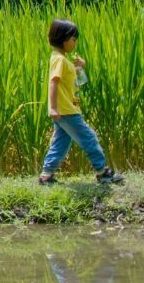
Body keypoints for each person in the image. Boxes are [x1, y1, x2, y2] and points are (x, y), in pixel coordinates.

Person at [39, 19, 124, 186]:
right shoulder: (59, 60)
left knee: (60, 143)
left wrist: (79, 67)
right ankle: (102, 171)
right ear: (63, 39)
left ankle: (46, 175)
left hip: (66, 109)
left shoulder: (62, 59)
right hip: (67, 110)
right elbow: (53, 81)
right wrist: (53, 107)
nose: (74, 43)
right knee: (89, 138)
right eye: (73, 39)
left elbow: (74, 81)